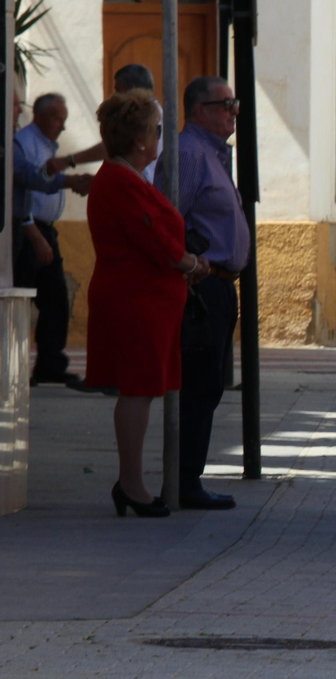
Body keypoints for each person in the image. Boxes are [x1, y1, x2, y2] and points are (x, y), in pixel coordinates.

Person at [83, 90, 209, 517]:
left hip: (145, 299)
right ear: (140, 139)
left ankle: (132, 483)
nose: (161, 136)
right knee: (137, 390)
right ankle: (132, 484)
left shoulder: (126, 175)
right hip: (133, 300)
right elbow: (154, 236)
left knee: (143, 390)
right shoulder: (119, 180)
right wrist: (189, 262)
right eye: (157, 129)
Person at [164, 76, 251, 510]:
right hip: (200, 286)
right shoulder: (189, 153)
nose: (235, 111)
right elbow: (167, 219)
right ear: (200, 110)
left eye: (234, 103)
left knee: (210, 384)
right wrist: (188, 266)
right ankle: (183, 480)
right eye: (226, 104)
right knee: (199, 385)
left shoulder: (214, 154)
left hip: (219, 285)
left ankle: (187, 477)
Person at [13, 93, 94, 388]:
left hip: (46, 230)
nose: (62, 126)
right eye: (58, 119)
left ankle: (49, 364)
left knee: (56, 299)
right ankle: (15, 365)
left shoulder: (47, 144)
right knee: (21, 297)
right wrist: (70, 180)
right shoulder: (23, 143)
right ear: (41, 116)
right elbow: (29, 182)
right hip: (27, 230)